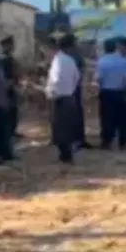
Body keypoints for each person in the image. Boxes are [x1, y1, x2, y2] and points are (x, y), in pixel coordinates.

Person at [45, 34, 81, 164]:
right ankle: (67, 153)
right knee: (67, 127)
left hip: (59, 98)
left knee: (60, 127)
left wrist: (50, 92)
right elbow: (77, 77)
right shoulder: (69, 60)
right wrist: (70, 88)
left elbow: (55, 79)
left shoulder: (58, 61)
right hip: (69, 97)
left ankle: (65, 154)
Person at [95, 38, 126, 150]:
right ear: (115, 48)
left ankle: (107, 141)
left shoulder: (102, 62)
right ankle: (123, 142)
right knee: (122, 118)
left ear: (105, 48)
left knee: (107, 117)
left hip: (106, 93)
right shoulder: (123, 61)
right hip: (120, 92)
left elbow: (98, 78)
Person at [69, 36, 93, 149]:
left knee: (74, 113)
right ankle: (77, 139)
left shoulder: (65, 56)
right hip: (74, 88)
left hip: (70, 88)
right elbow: (82, 70)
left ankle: (75, 139)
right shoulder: (75, 55)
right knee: (76, 113)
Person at [0, 35, 21, 141]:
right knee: (9, 111)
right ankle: (9, 133)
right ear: (5, 46)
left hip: (12, 87)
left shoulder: (9, 58)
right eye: (11, 45)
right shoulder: (3, 59)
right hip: (7, 88)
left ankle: (12, 131)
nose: (13, 47)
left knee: (13, 110)